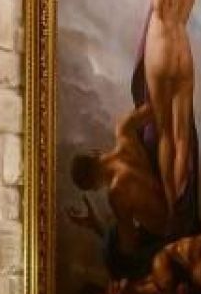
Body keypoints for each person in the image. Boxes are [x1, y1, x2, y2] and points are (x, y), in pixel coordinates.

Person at [131, 0, 199, 227]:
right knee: (183, 134)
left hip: (161, 46)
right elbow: (183, 13)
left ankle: (170, 211)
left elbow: (159, 6)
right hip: (183, 49)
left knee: (164, 134)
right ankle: (182, 210)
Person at [67, 103, 170, 279]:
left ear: (94, 186)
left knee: (113, 254)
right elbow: (158, 104)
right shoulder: (124, 129)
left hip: (166, 233)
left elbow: (130, 246)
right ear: (94, 153)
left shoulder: (116, 193)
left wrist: (98, 228)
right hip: (174, 207)